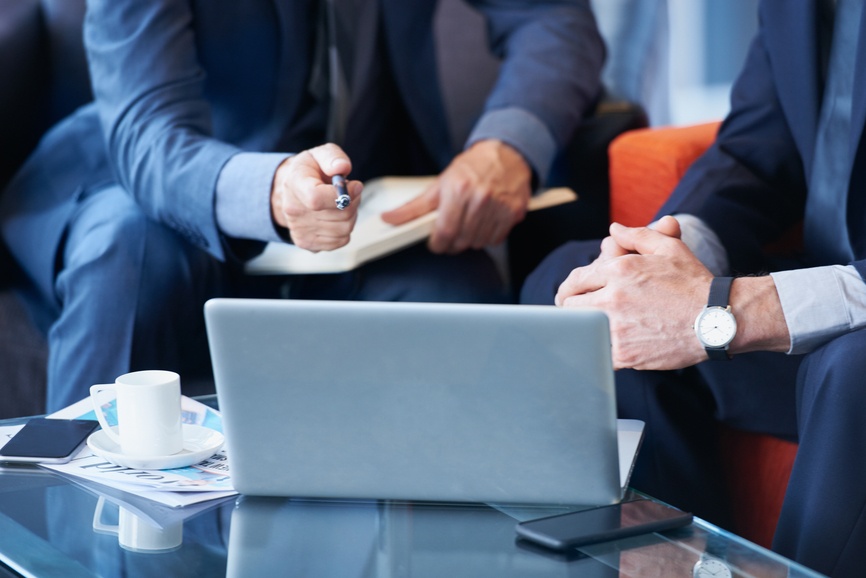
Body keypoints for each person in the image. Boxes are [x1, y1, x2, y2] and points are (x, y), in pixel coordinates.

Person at [0, 0, 605, 412]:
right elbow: (147, 131)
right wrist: (268, 192)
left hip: (365, 207)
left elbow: (552, 17)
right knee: (127, 261)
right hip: (162, 189)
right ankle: (72, 531)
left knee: (455, 298)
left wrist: (508, 145)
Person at [522, 1, 866, 576]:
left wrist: (736, 310)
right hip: (813, 295)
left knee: (853, 367)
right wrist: (656, 260)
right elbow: (757, 149)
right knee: (591, 293)